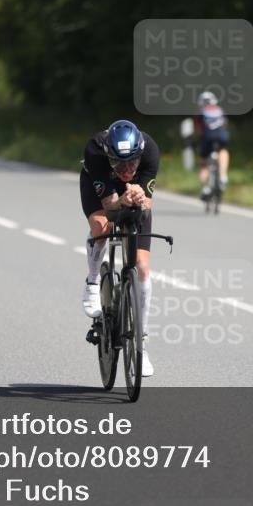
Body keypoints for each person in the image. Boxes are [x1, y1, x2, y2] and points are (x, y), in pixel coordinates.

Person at [80, 119, 160, 377]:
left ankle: (142, 344)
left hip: (134, 194)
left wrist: (139, 200)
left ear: (140, 155)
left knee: (143, 268)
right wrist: (121, 200)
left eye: (131, 163)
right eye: (119, 164)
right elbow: (110, 205)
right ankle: (93, 282)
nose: (126, 170)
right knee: (101, 227)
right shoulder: (95, 149)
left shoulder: (150, 151)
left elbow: (146, 205)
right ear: (109, 156)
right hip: (100, 187)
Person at [195, 91, 230, 199]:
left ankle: (205, 187)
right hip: (222, 135)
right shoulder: (220, 110)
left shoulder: (200, 112)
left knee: (203, 162)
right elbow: (225, 124)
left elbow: (198, 130)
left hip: (208, 137)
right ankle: (223, 175)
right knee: (223, 150)